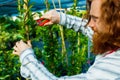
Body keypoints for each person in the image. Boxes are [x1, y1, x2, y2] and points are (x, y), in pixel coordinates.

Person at [13, 0, 120, 79]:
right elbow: (94, 31)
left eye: (95, 19)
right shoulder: (113, 41)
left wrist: (26, 56)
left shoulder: (113, 67)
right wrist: (60, 18)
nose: (90, 24)